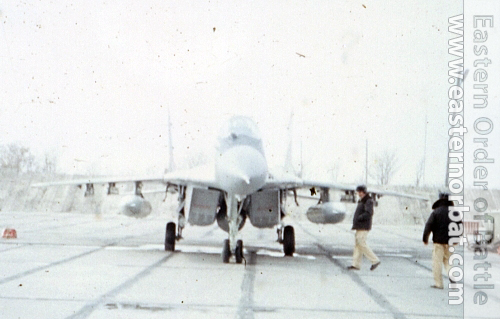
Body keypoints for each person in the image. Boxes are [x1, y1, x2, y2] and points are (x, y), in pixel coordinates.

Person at [422, 193, 456, 289]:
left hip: (438, 242)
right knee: (448, 262)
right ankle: (452, 276)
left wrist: (425, 238)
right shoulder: (455, 213)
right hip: (450, 242)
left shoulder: (436, 212)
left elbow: (428, 225)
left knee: (437, 263)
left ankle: (439, 284)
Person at [348, 185, 381, 271]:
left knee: (361, 243)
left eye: (359, 192)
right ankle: (356, 265)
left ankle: (375, 260)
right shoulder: (362, 201)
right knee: (358, 245)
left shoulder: (368, 201)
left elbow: (369, 213)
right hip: (359, 226)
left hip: (363, 226)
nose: (358, 193)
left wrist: (360, 218)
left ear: (363, 192)